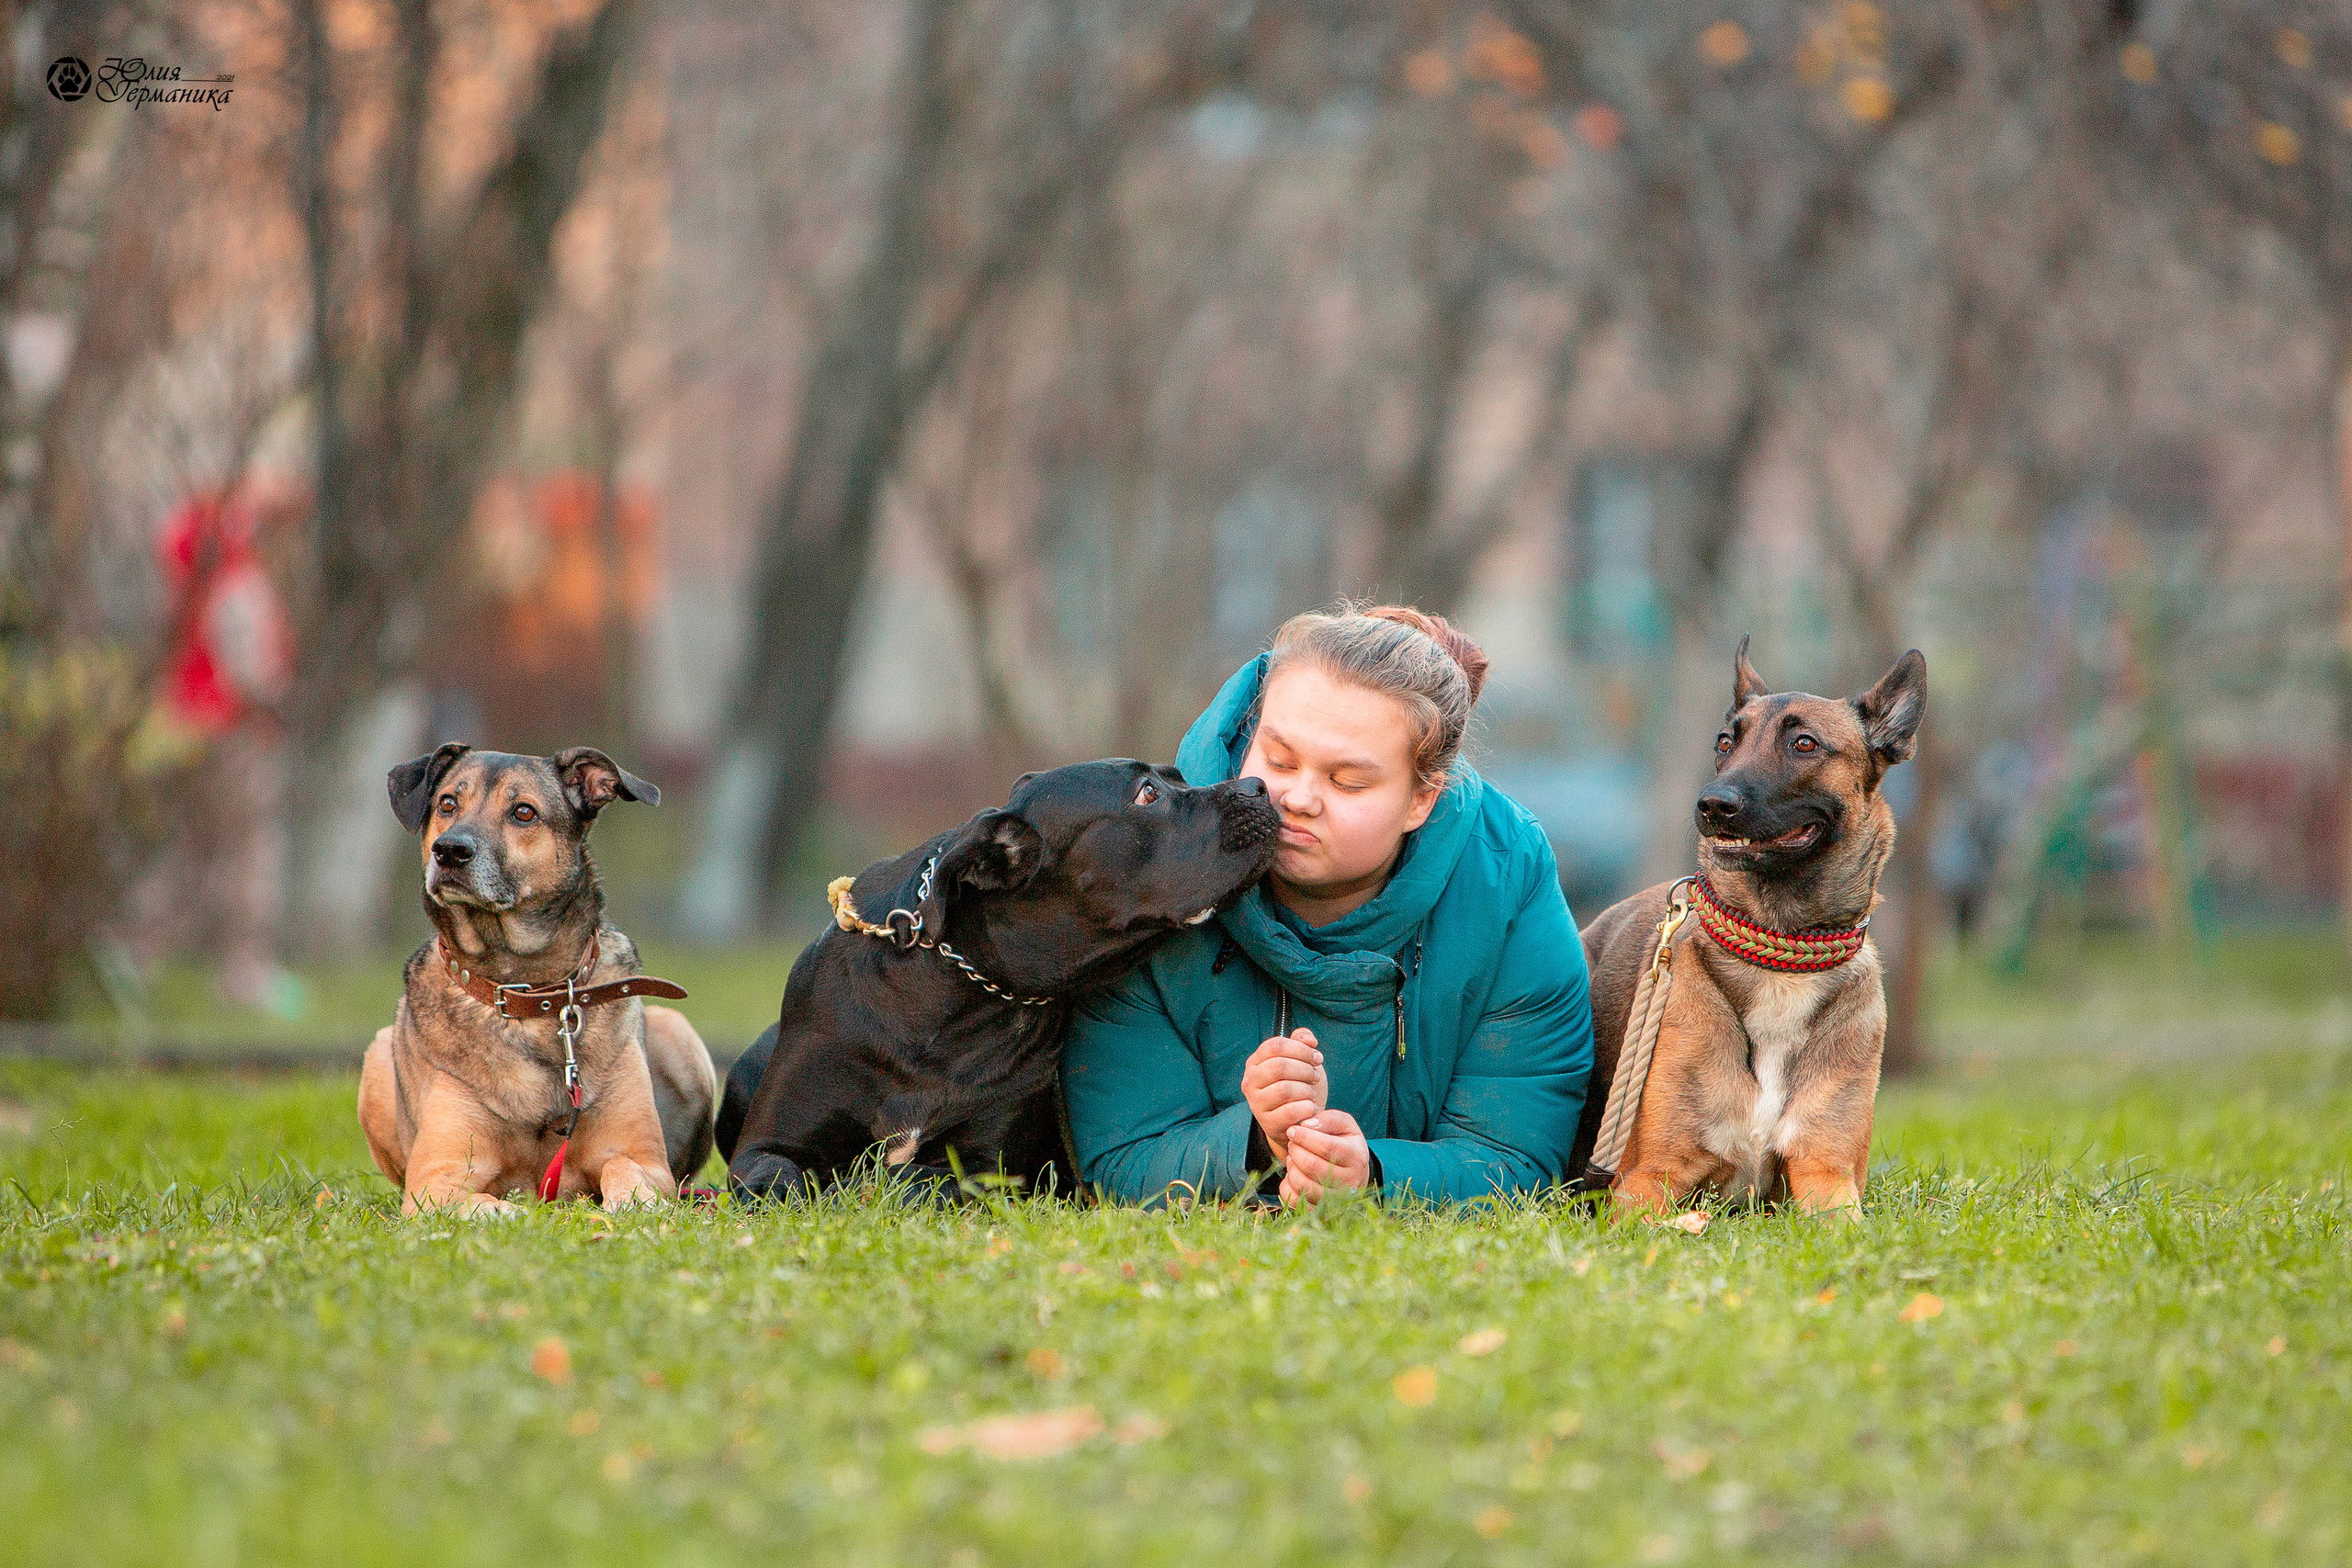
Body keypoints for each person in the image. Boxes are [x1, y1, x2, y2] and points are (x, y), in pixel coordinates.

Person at [1062, 604, 1595, 1208]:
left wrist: (1374, 1175)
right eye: (1280, 759)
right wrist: (1255, 1143)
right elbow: (1118, 1160)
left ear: (1423, 798)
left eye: (1346, 781)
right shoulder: (1153, 862)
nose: (1298, 798)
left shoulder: (1507, 880)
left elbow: (1516, 1160)